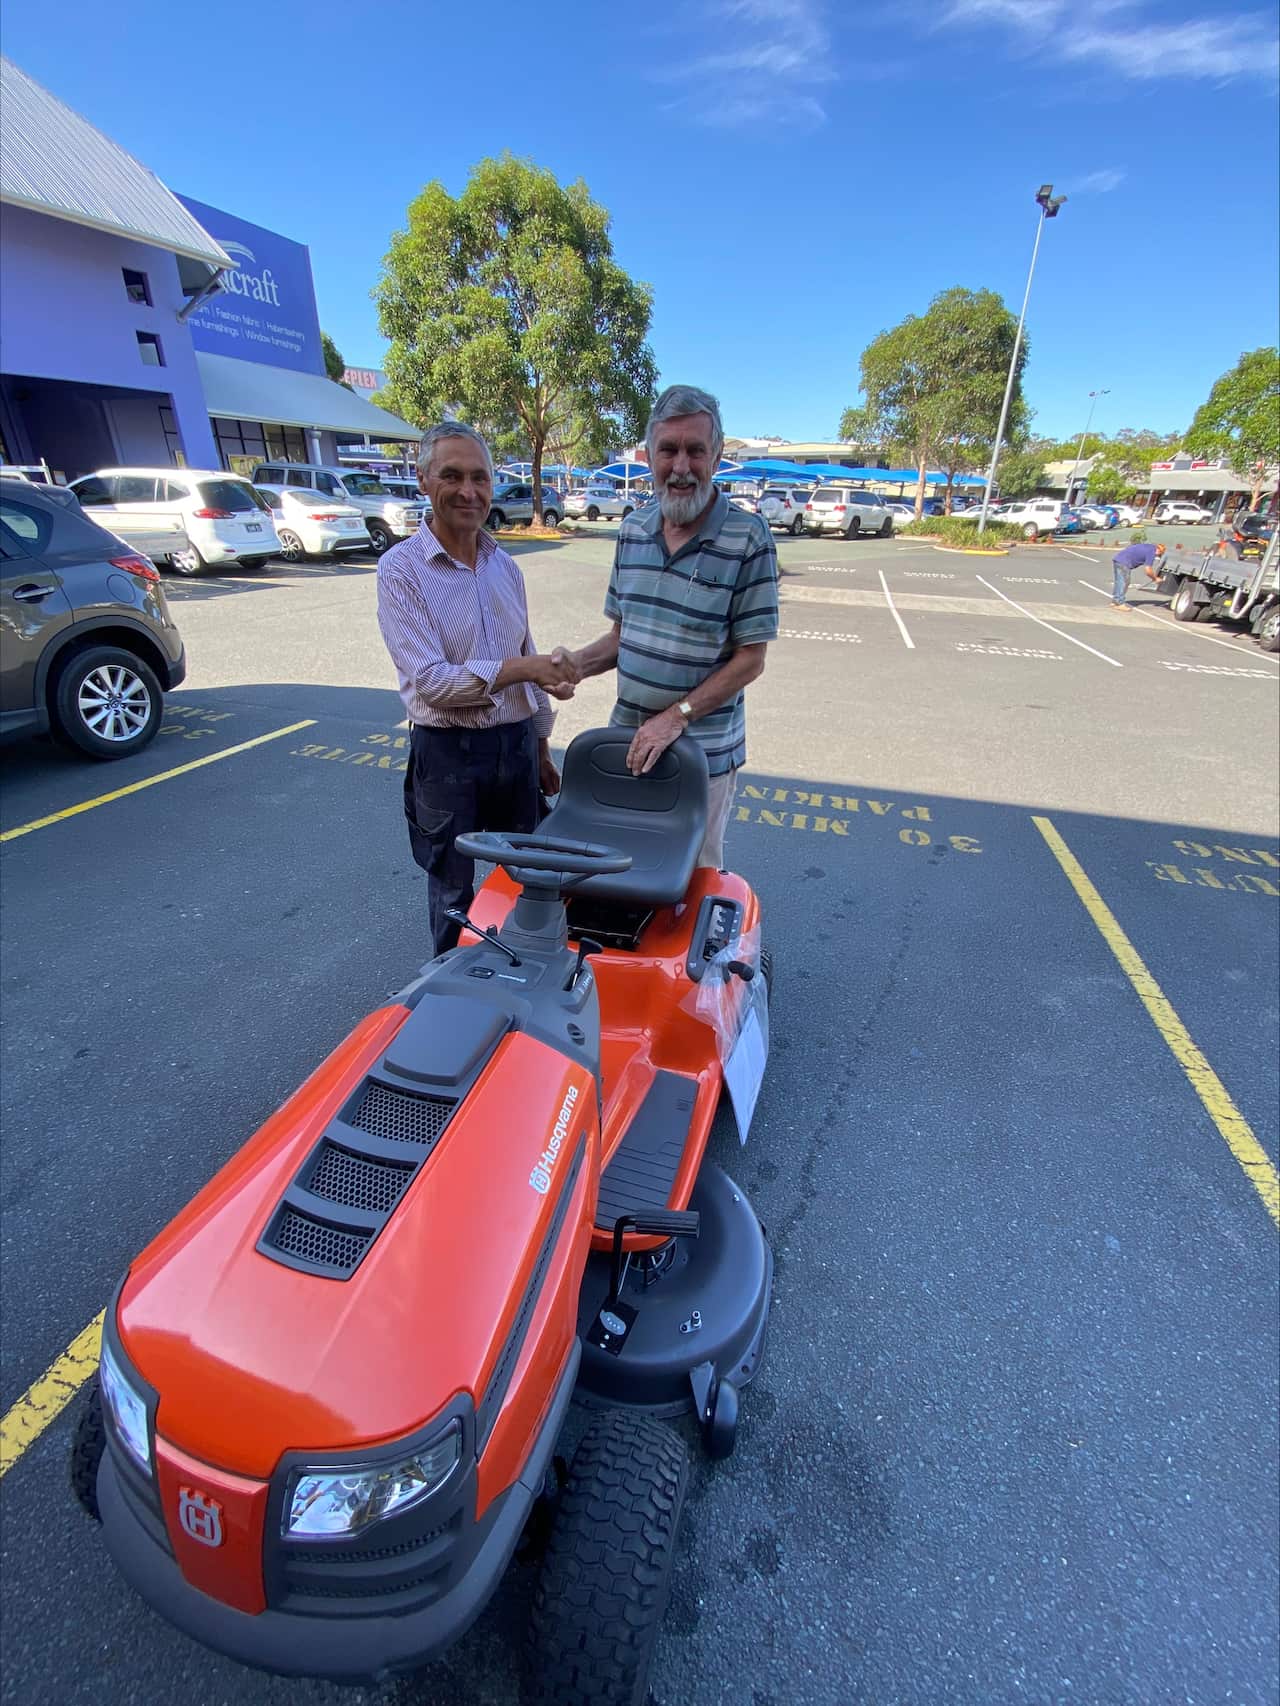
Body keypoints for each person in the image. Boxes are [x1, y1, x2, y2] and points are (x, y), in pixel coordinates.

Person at [552, 384, 779, 869]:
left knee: (691, 885)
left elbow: (750, 659)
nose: (681, 467)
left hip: (702, 761)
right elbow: (622, 637)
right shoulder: (633, 529)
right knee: (620, 874)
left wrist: (676, 716)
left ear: (716, 456)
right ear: (650, 454)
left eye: (695, 450)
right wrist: (576, 665)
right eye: (668, 450)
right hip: (628, 748)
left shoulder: (748, 537)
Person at [377, 421, 576, 954]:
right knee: (452, 891)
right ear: (423, 481)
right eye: (452, 475)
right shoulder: (400, 571)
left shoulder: (506, 567)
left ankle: (536, 985)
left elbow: (525, 657)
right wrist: (527, 668)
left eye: (480, 478)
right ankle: (450, 998)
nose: (469, 490)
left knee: (539, 879)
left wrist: (540, 748)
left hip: (515, 749)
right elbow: (436, 685)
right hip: (446, 755)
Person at [1110, 539, 1166, 608]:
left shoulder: (1149, 546)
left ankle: (1115, 601)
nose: (1156, 556)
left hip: (1118, 559)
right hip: (1124, 562)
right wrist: (1155, 578)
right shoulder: (1152, 552)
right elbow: (1148, 570)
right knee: (1124, 582)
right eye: (1158, 555)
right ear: (1159, 551)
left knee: (1119, 581)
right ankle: (1119, 603)